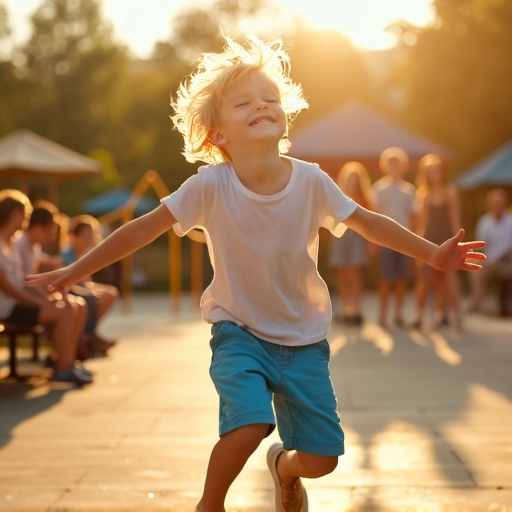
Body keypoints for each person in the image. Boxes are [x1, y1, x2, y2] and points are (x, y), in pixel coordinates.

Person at [26, 36, 485, 512]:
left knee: (322, 458)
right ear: (217, 135)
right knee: (248, 423)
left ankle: (282, 467)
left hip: (303, 337)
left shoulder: (311, 180)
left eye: (270, 99)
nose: (261, 106)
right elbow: (141, 231)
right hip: (238, 330)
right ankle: (210, 504)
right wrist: (75, 270)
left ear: (284, 117)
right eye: (243, 103)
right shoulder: (209, 186)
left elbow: (368, 223)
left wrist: (432, 254)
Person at [0, 189, 92, 385]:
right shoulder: (4, 244)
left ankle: (65, 362)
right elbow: (7, 287)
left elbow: (22, 281)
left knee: (70, 305)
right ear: (15, 215)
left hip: (16, 304)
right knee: (65, 311)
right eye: (25, 215)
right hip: (7, 309)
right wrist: (40, 302)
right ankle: (63, 368)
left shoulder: (11, 243)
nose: (26, 220)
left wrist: (44, 298)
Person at [411, 154, 463, 329]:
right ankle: (419, 316)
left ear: (442, 173)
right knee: (426, 279)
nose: (433, 175)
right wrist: (419, 249)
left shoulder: (451, 192)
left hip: (447, 239)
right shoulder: (424, 195)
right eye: (430, 172)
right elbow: (422, 224)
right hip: (430, 240)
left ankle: (455, 315)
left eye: (436, 171)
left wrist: (459, 243)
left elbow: (455, 220)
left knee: (449, 278)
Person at [60, 214, 118, 358]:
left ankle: (89, 336)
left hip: (78, 288)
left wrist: (100, 290)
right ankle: (87, 338)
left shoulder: (82, 256)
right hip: (69, 291)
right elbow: (70, 284)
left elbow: (85, 282)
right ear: (74, 237)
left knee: (109, 292)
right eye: (86, 236)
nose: (90, 240)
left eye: (92, 236)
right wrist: (91, 291)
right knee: (91, 299)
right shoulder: (66, 256)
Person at [371, 147, 417, 327]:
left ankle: (398, 313)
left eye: (397, 164)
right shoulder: (379, 189)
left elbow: (412, 217)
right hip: (385, 240)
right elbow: (374, 216)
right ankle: (383, 314)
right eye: (391, 164)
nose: (394, 167)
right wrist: (373, 242)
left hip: (405, 240)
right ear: (385, 166)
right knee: (385, 277)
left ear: (403, 166)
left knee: (402, 278)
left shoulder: (409, 190)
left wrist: (415, 242)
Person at [327, 162, 373, 325]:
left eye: (355, 178)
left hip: (356, 238)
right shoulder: (338, 196)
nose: (352, 182)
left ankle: (357, 310)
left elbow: (371, 224)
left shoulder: (365, 199)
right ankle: (347, 309)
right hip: (340, 237)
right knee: (342, 274)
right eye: (350, 178)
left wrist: (370, 245)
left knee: (354, 273)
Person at [468, 188, 512, 313]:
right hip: (489, 260)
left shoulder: (510, 221)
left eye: (500, 202)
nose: (497, 205)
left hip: (507, 261)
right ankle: (477, 303)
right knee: (475, 270)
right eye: (495, 202)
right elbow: (482, 244)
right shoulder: (484, 222)